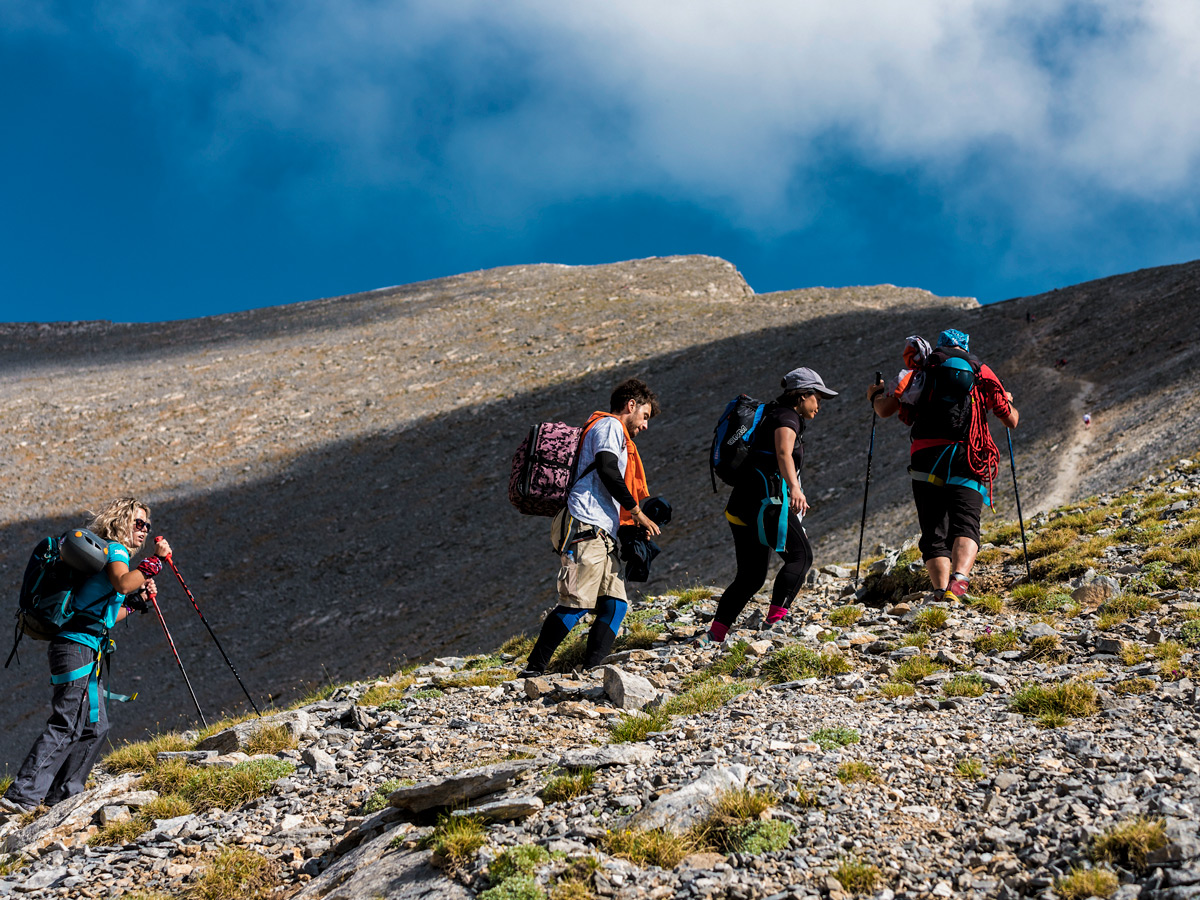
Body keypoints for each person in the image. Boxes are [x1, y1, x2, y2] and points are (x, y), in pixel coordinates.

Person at [0, 499, 170, 815]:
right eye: (138, 523)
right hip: (76, 647)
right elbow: (122, 581)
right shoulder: (115, 551)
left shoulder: (106, 556)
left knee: (96, 727)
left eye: (147, 526)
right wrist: (153, 563)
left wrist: (136, 602)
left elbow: (104, 618)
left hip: (85, 647)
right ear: (121, 521)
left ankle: (61, 797)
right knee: (68, 722)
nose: (144, 531)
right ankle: (22, 794)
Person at [519, 379, 662, 678]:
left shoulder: (614, 432)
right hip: (586, 525)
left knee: (615, 605)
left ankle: (592, 670)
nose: (645, 426)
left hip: (600, 531)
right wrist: (636, 512)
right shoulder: (609, 427)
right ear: (631, 405)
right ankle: (533, 670)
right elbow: (608, 468)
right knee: (575, 603)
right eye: (645, 416)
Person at [869, 330, 1018, 600]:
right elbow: (1011, 421)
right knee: (966, 522)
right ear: (966, 348)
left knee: (933, 527)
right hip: (969, 454)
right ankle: (959, 580)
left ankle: (939, 591)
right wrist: (1006, 401)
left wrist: (874, 395)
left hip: (927, 455)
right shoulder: (982, 373)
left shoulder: (920, 370)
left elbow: (885, 409)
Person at [702, 367, 837, 643]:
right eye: (818, 398)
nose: (820, 405)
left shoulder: (772, 414)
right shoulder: (788, 417)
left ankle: (715, 634)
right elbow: (783, 452)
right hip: (767, 503)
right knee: (801, 557)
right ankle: (775, 624)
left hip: (741, 506)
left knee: (751, 576)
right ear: (802, 395)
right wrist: (797, 490)